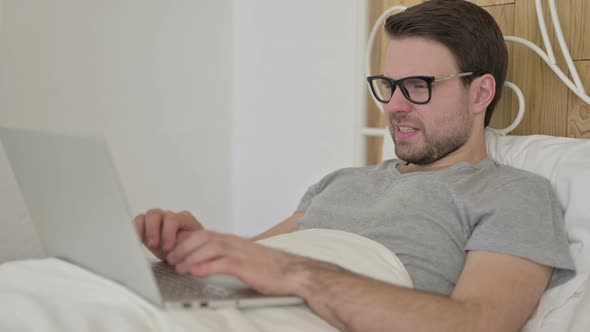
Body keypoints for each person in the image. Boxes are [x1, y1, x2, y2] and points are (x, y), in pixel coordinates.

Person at [134, 1, 574, 331]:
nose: (395, 106)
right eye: (388, 85)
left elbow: (476, 323)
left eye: (418, 86)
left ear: (480, 94)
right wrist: (194, 253)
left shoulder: (514, 193)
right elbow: (259, 262)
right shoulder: (341, 181)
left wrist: (295, 274)